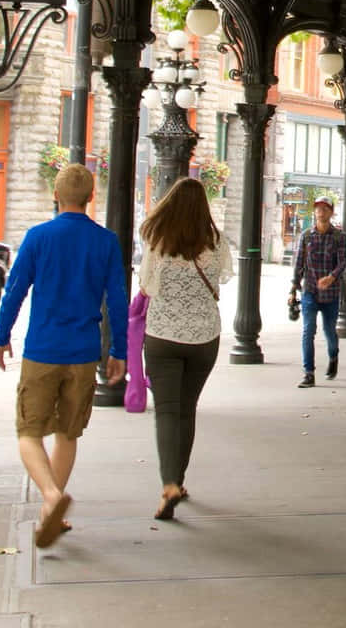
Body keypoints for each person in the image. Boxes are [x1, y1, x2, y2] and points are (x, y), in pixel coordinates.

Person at [0, 164, 129, 549]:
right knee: (68, 433)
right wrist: (120, 350)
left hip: (43, 349)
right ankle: (49, 510)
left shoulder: (38, 237)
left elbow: (15, 291)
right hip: (83, 353)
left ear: (56, 194)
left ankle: (50, 497)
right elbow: (117, 299)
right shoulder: (105, 242)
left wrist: (1, 338)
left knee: (28, 431)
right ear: (90, 197)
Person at [136, 177, 232, 521]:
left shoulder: (158, 240)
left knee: (166, 411)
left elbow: (147, 286)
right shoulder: (216, 241)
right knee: (187, 410)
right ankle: (180, 480)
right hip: (204, 338)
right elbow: (224, 276)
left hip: (163, 336)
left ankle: (169, 483)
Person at [290, 196, 346, 388]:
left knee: (329, 331)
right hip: (310, 291)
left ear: (331, 212)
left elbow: (343, 262)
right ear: (315, 212)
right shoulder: (306, 236)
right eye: (318, 209)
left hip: (331, 294)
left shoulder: (340, 236)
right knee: (308, 331)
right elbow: (299, 263)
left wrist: (331, 277)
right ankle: (309, 373)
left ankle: (333, 356)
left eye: (325, 209)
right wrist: (293, 289)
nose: (321, 212)